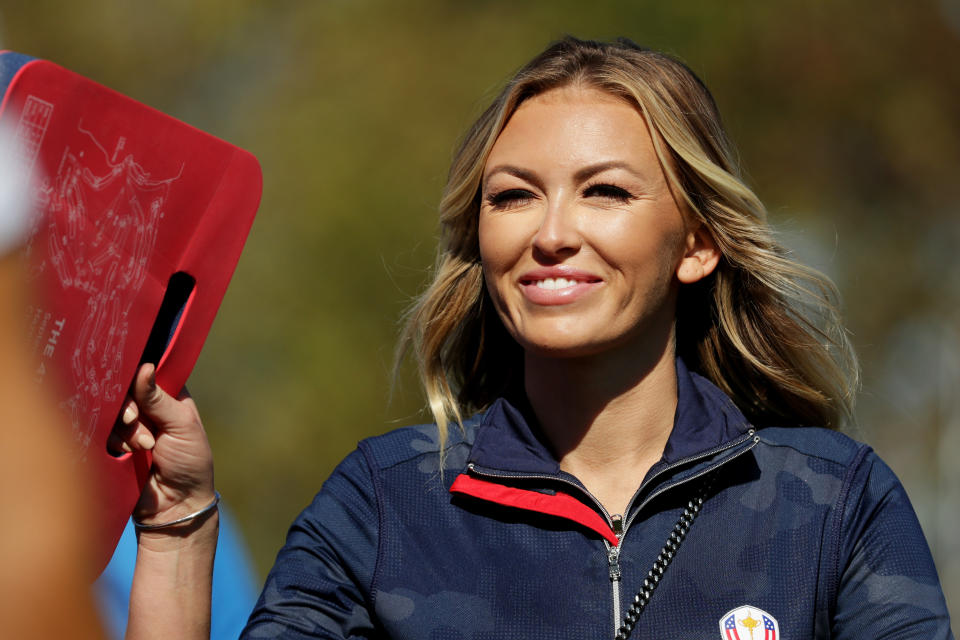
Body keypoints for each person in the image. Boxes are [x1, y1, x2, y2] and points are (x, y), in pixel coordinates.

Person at [121, 37, 954, 639]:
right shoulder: (386, 505)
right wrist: (178, 525)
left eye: (605, 192)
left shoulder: (834, 504)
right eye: (514, 196)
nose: (551, 233)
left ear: (698, 243)